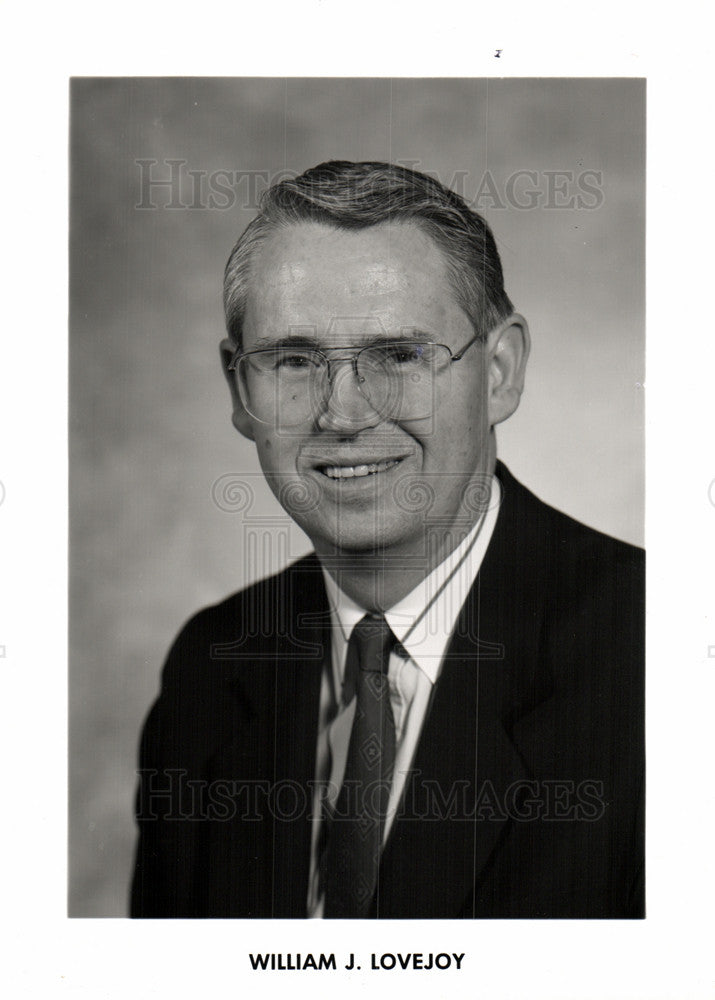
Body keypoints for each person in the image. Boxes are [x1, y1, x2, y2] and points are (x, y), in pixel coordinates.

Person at [130, 160, 644, 919]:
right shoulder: (210, 668)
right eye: (295, 360)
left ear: (499, 372)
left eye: (398, 355)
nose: (343, 414)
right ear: (240, 390)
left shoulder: (666, 657)